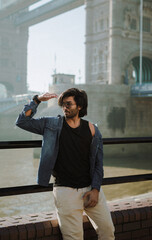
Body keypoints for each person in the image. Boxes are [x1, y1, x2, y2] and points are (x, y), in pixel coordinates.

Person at [16, 88, 115, 240]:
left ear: (80, 106)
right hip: (65, 192)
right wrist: (36, 100)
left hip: (91, 190)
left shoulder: (93, 130)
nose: (64, 107)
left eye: (69, 104)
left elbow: (98, 164)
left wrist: (95, 189)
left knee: (108, 231)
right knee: (74, 237)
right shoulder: (52, 124)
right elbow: (23, 121)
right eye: (63, 104)